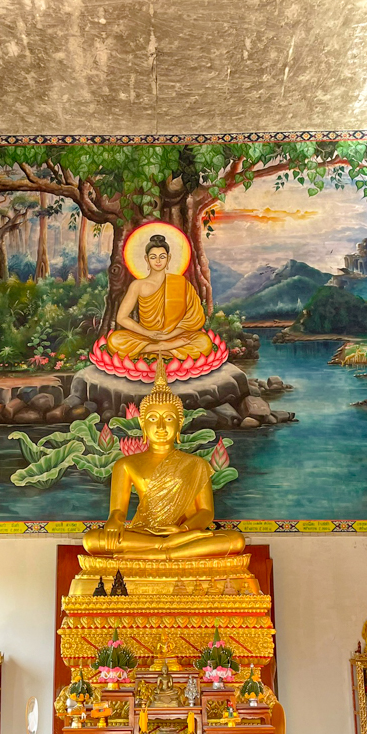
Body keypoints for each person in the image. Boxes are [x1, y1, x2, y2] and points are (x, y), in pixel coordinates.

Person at [83, 360, 245, 559]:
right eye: (153, 419)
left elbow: (205, 512)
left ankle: (157, 552)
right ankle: (164, 547)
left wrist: (183, 530)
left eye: (168, 418)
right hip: (144, 533)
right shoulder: (125, 465)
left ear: (180, 423)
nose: (160, 426)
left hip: (183, 534)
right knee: (91, 540)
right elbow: (117, 510)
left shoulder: (197, 464)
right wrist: (114, 521)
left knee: (235, 540)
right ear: (142, 423)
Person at [105, 235, 215, 360]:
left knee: (204, 342)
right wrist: (148, 333)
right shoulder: (138, 285)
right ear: (146, 259)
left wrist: (168, 336)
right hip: (145, 336)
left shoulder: (181, 283)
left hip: (173, 336)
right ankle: (160, 348)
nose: (158, 261)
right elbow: (121, 318)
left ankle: (151, 349)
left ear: (168, 258)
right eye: (153, 257)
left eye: (162, 257)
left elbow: (192, 318)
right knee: (114, 341)